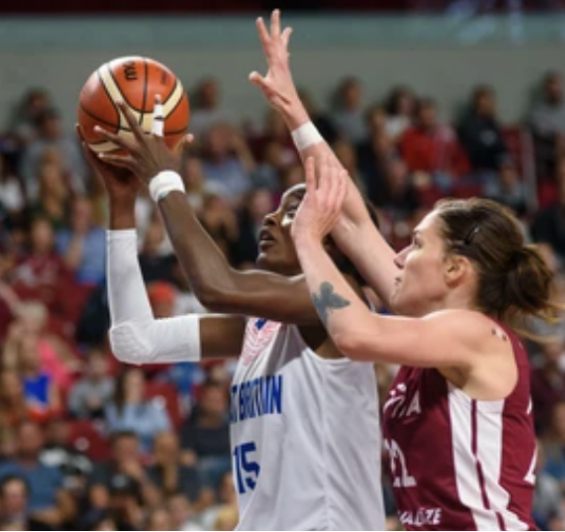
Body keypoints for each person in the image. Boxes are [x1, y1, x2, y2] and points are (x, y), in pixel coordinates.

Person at [247, 12, 555, 530]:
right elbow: (349, 213)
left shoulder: (475, 333)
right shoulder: (435, 335)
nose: (396, 257)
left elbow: (352, 332)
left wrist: (305, 237)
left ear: (456, 269)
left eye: (414, 245)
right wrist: (294, 110)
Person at [79, 16, 384, 528]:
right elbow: (135, 340)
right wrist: (121, 204)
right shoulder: (263, 328)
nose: (269, 218)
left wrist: (164, 180)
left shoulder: (334, 301)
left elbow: (218, 286)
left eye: (292, 209)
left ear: (332, 238)